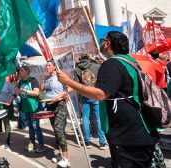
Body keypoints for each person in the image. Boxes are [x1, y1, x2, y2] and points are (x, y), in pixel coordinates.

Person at [58, 31, 159, 168]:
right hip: (140, 129)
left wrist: (69, 82)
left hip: (126, 134)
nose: (100, 42)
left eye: (102, 39)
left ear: (108, 44)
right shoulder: (129, 61)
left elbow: (100, 94)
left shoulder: (112, 64)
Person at [40, 60, 70, 168]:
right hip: (49, 106)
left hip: (60, 105)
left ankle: (66, 159)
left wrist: (59, 96)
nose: (47, 67)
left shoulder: (60, 75)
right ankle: (61, 155)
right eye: (46, 65)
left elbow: (70, 88)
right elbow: (41, 90)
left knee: (59, 129)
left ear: (54, 67)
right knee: (56, 132)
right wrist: (43, 79)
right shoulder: (47, 78)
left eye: (49, 65)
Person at [73, 53, 107, 149]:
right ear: (89, 57)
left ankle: (87, 141)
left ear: (80, 58)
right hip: (95, 94)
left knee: (85, 118)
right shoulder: (96, 66)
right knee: (98, 118)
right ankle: (102, 142)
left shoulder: (77, 69)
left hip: (84, 96)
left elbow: (76, 84)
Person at [16, 65, 46, 153]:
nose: (19, 72)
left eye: (21, 71)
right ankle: (31, 143)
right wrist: (16, 89)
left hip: (34, 107)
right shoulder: (20, 81)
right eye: (19, 71)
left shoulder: (32, 80)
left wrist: (25, 91)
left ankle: (41, 145)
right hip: (25, 108)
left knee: (36, 126)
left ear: (26, 72)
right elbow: (18, 93)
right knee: (30, 126)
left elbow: (36, 92)